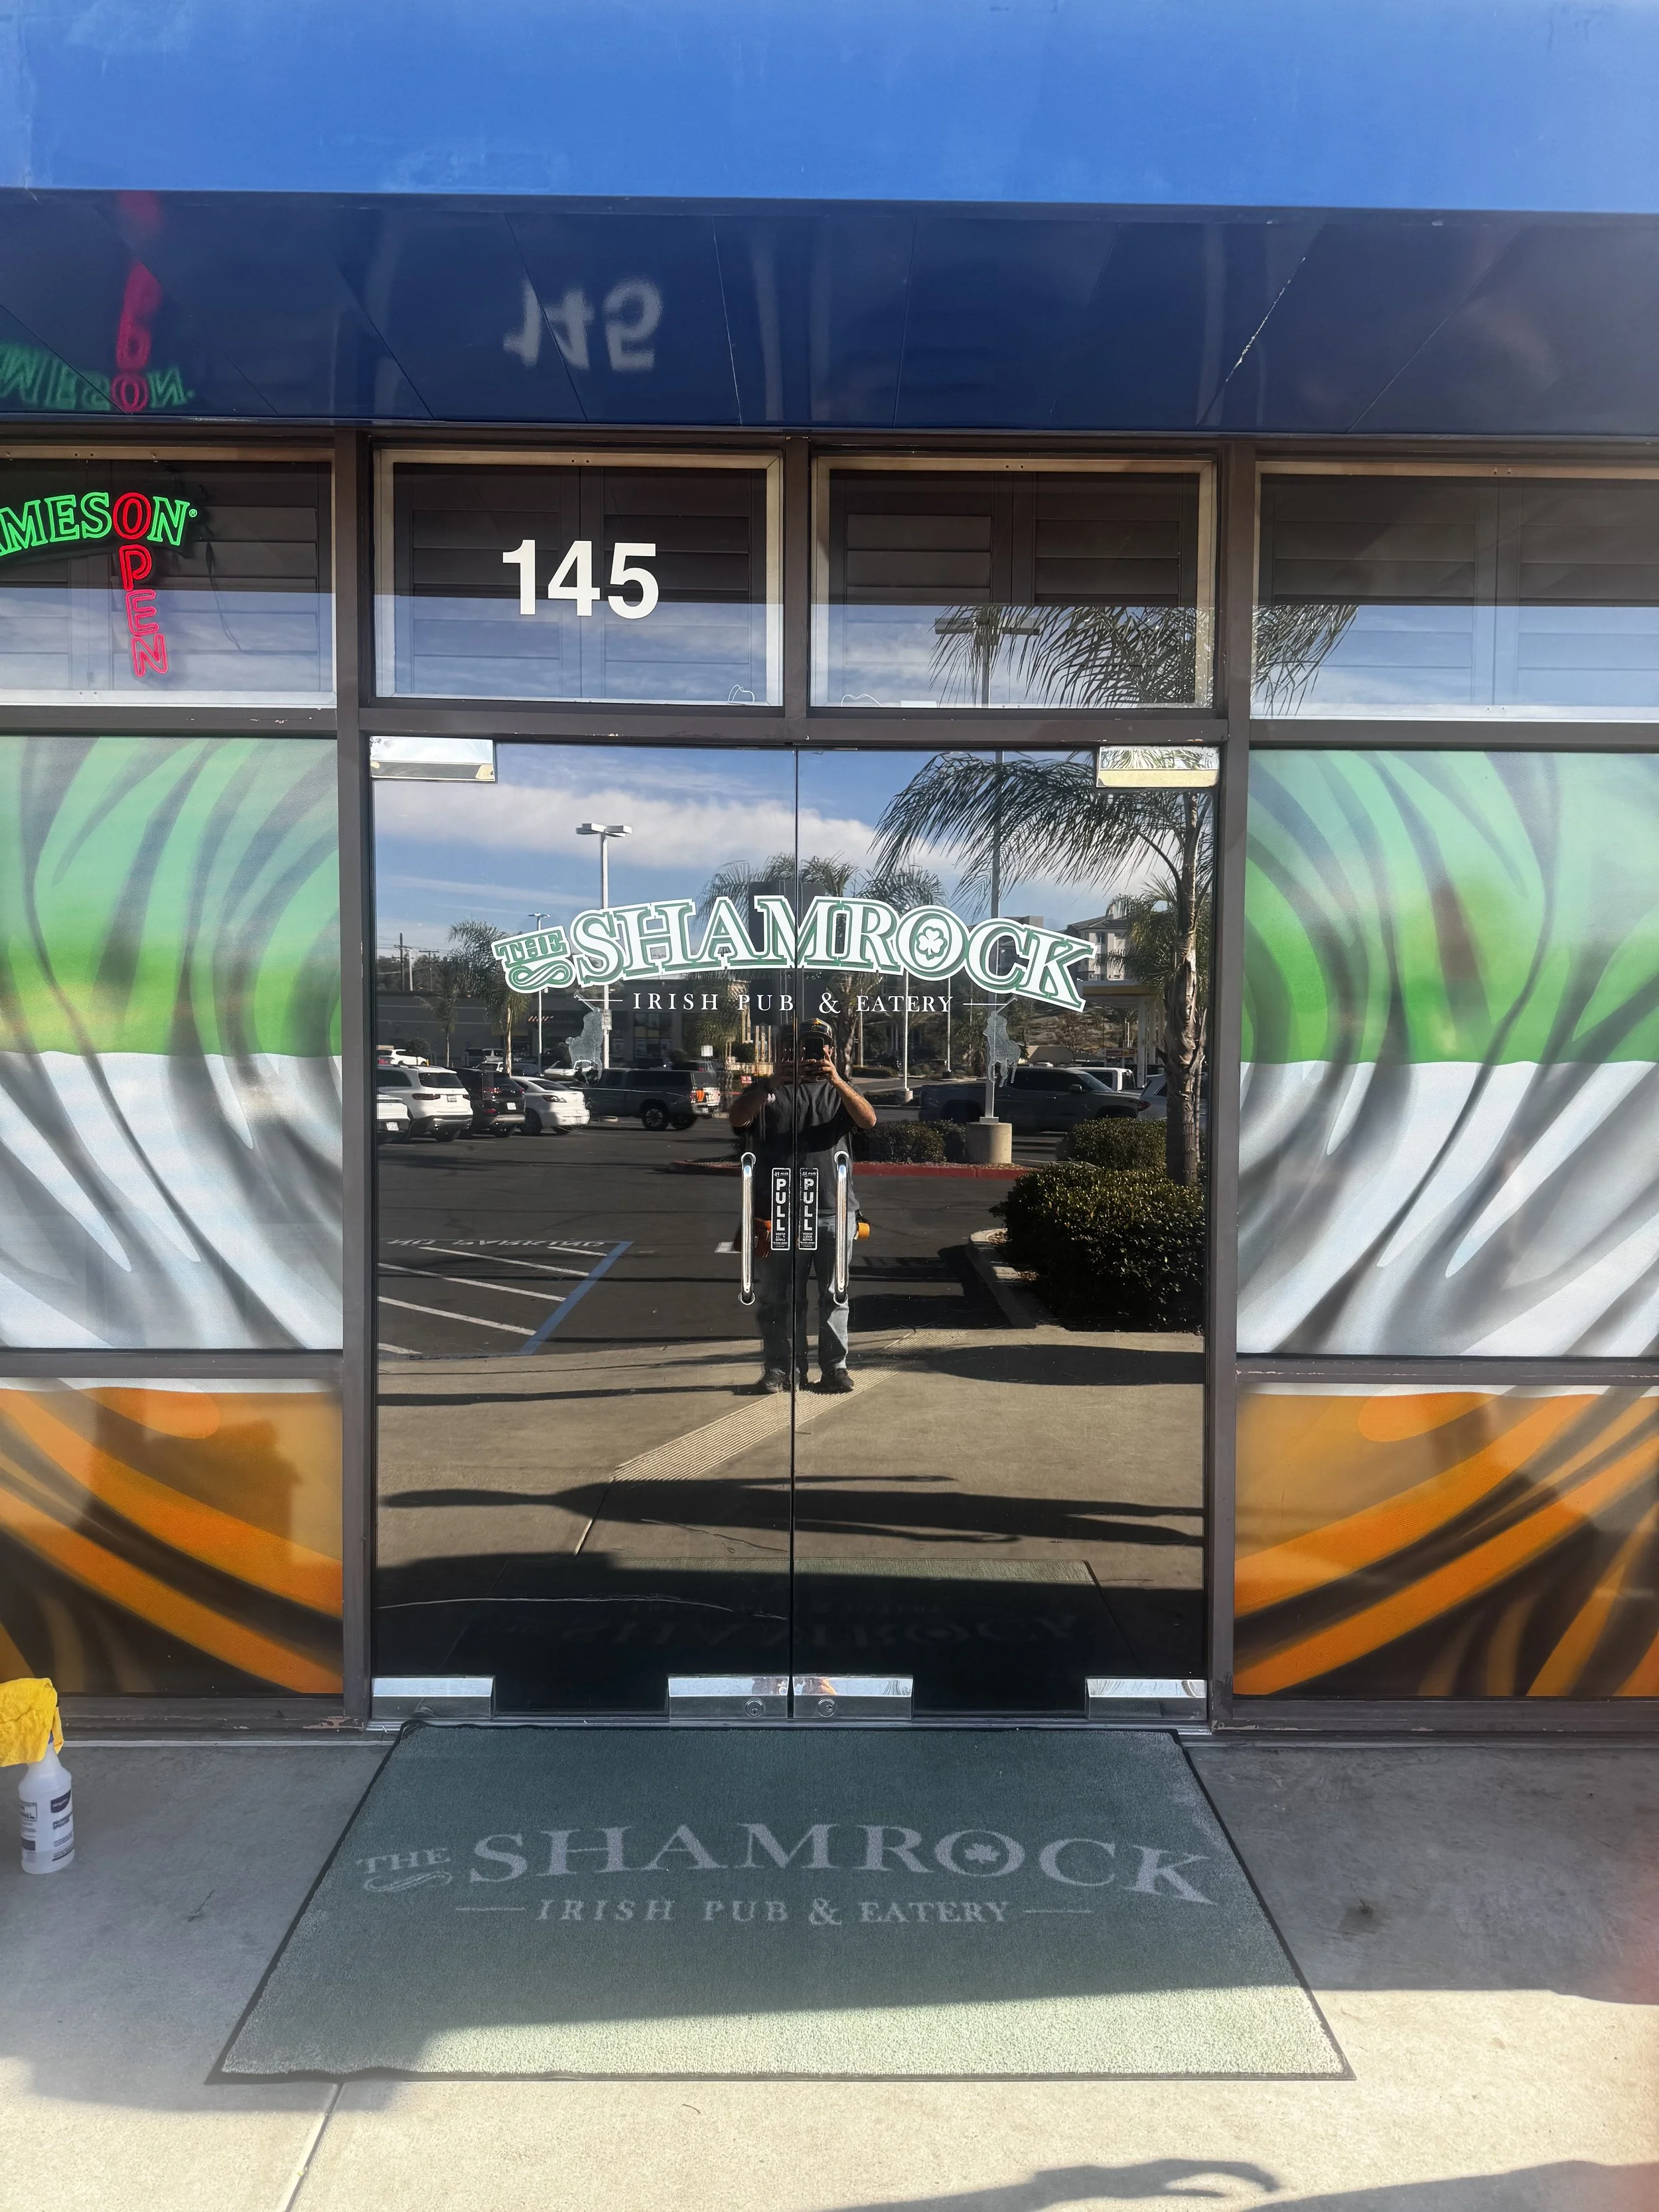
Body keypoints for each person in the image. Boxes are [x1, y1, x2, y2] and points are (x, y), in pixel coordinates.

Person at [728, 1019, 877, 1394]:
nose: (810, 1054)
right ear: (783, 1051)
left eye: (817, 1046)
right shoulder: (767, 1090)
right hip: (778, 1211)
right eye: (800, 1046)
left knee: (834, 1295)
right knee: (779, 1297)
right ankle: (782, 1369)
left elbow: (869, 1120)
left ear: (830, 1050)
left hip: (832, 1209)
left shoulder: (839, 1091)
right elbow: (737, 1118)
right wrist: (772, 1081)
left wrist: (838, 1080)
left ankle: (835, 1369)